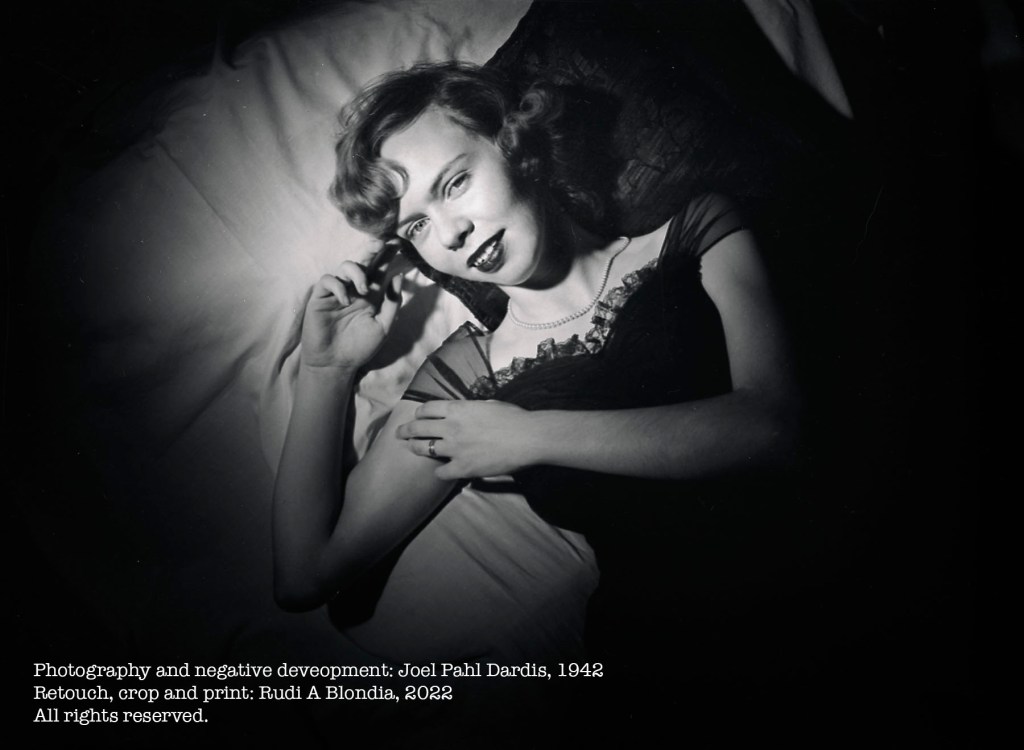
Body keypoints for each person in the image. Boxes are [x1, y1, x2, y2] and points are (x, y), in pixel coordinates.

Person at [273, 62, 799, 675]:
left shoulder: (696, 231)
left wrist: (529, 435)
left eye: (455, 183)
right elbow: (306, 576)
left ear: (515, 145)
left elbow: (776, 430)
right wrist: (326, 371)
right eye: (417, 224)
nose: (451, 232)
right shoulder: (465, 376)